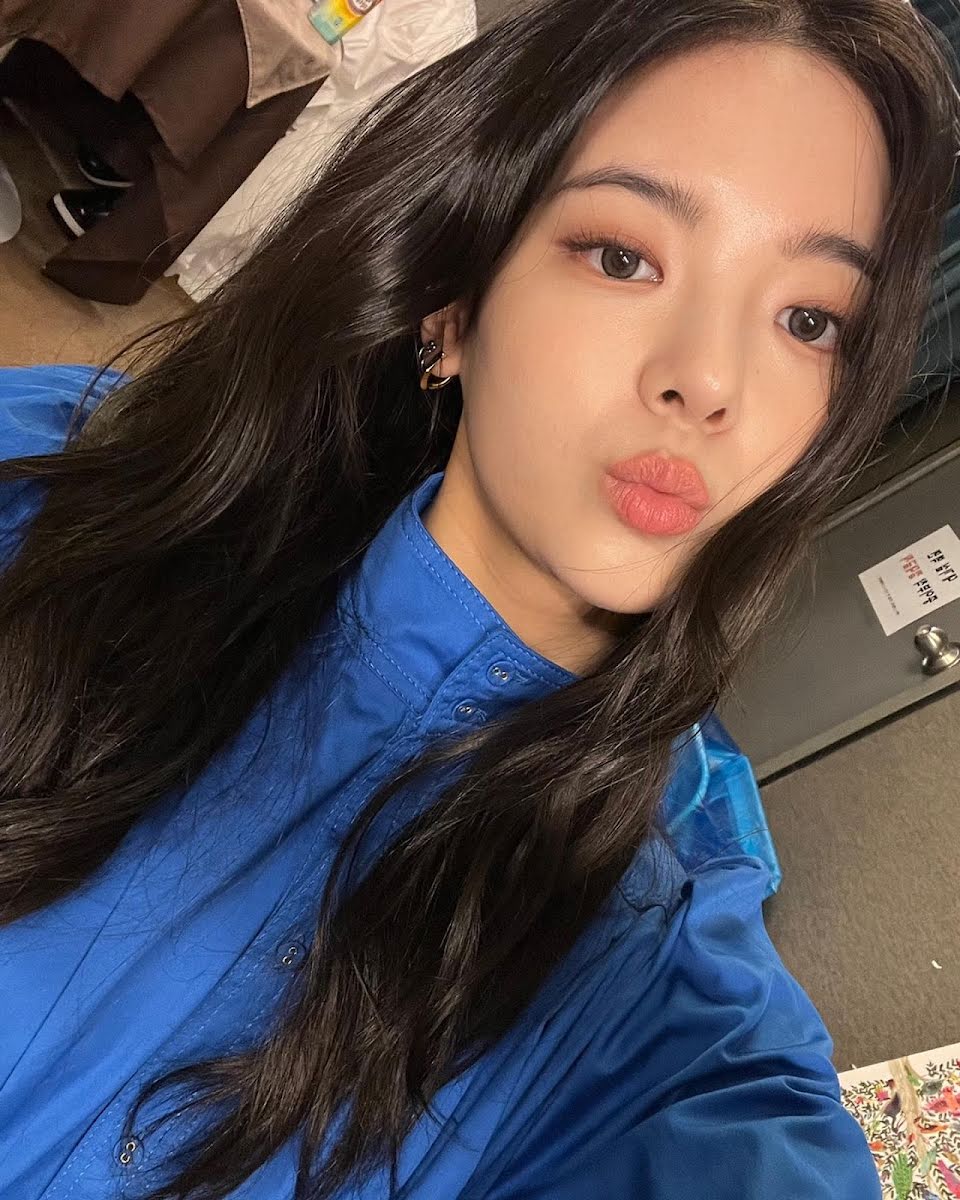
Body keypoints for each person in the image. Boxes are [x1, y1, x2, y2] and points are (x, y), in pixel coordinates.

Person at [0, 0, 956, 1196]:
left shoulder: (650, 985)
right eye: (624, 256)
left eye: (809, 320)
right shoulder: (65, 483)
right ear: (453, 305)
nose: (711, 380)